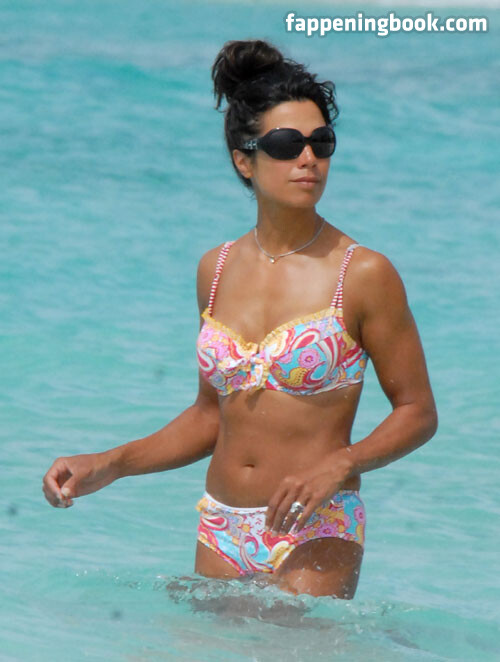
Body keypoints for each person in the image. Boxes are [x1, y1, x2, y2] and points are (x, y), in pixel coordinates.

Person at [42, 39, 438, 599]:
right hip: (220, 523)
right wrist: (110, 464)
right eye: (287, 144)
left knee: (295, 641)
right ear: (243, 159)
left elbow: (418, 412)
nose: (308, 158)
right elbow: (210, 417)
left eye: (321, 142)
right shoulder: (216, 269)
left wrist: (342, 464)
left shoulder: (363, 272)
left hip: (316, 524)